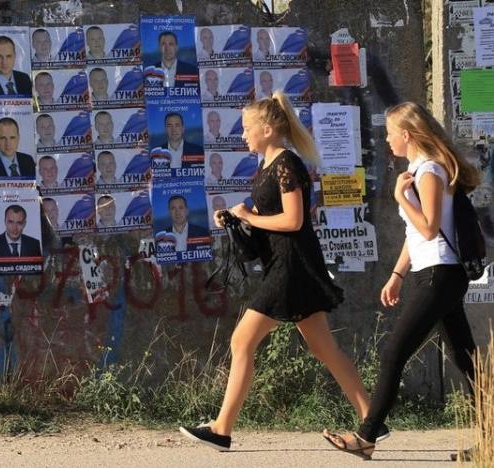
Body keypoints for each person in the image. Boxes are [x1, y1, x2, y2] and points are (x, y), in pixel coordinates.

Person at [179, 92, 386, 451]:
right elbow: (266, 213)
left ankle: (222, 429)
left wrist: (250, 216)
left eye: (247, 128)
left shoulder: (287, 164)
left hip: (291, 267)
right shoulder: (269, 166)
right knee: (324, 349)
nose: (243, 134)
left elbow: (293, 220)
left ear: (269, 129)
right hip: (288, 264)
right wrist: (235, 215)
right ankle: (373, 419)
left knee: (242, 340)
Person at [322, 102, 481, 461]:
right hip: (434, 272)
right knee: (467, 359)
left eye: (391, 132)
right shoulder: (418, 170)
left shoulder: (428, 172)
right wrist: (396, 275)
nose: (387, 139)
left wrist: (398, 197)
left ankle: (366, 436)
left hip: (441, 274)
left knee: (394, 352)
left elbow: (426, 226)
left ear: (406, 135)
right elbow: (416, 234)